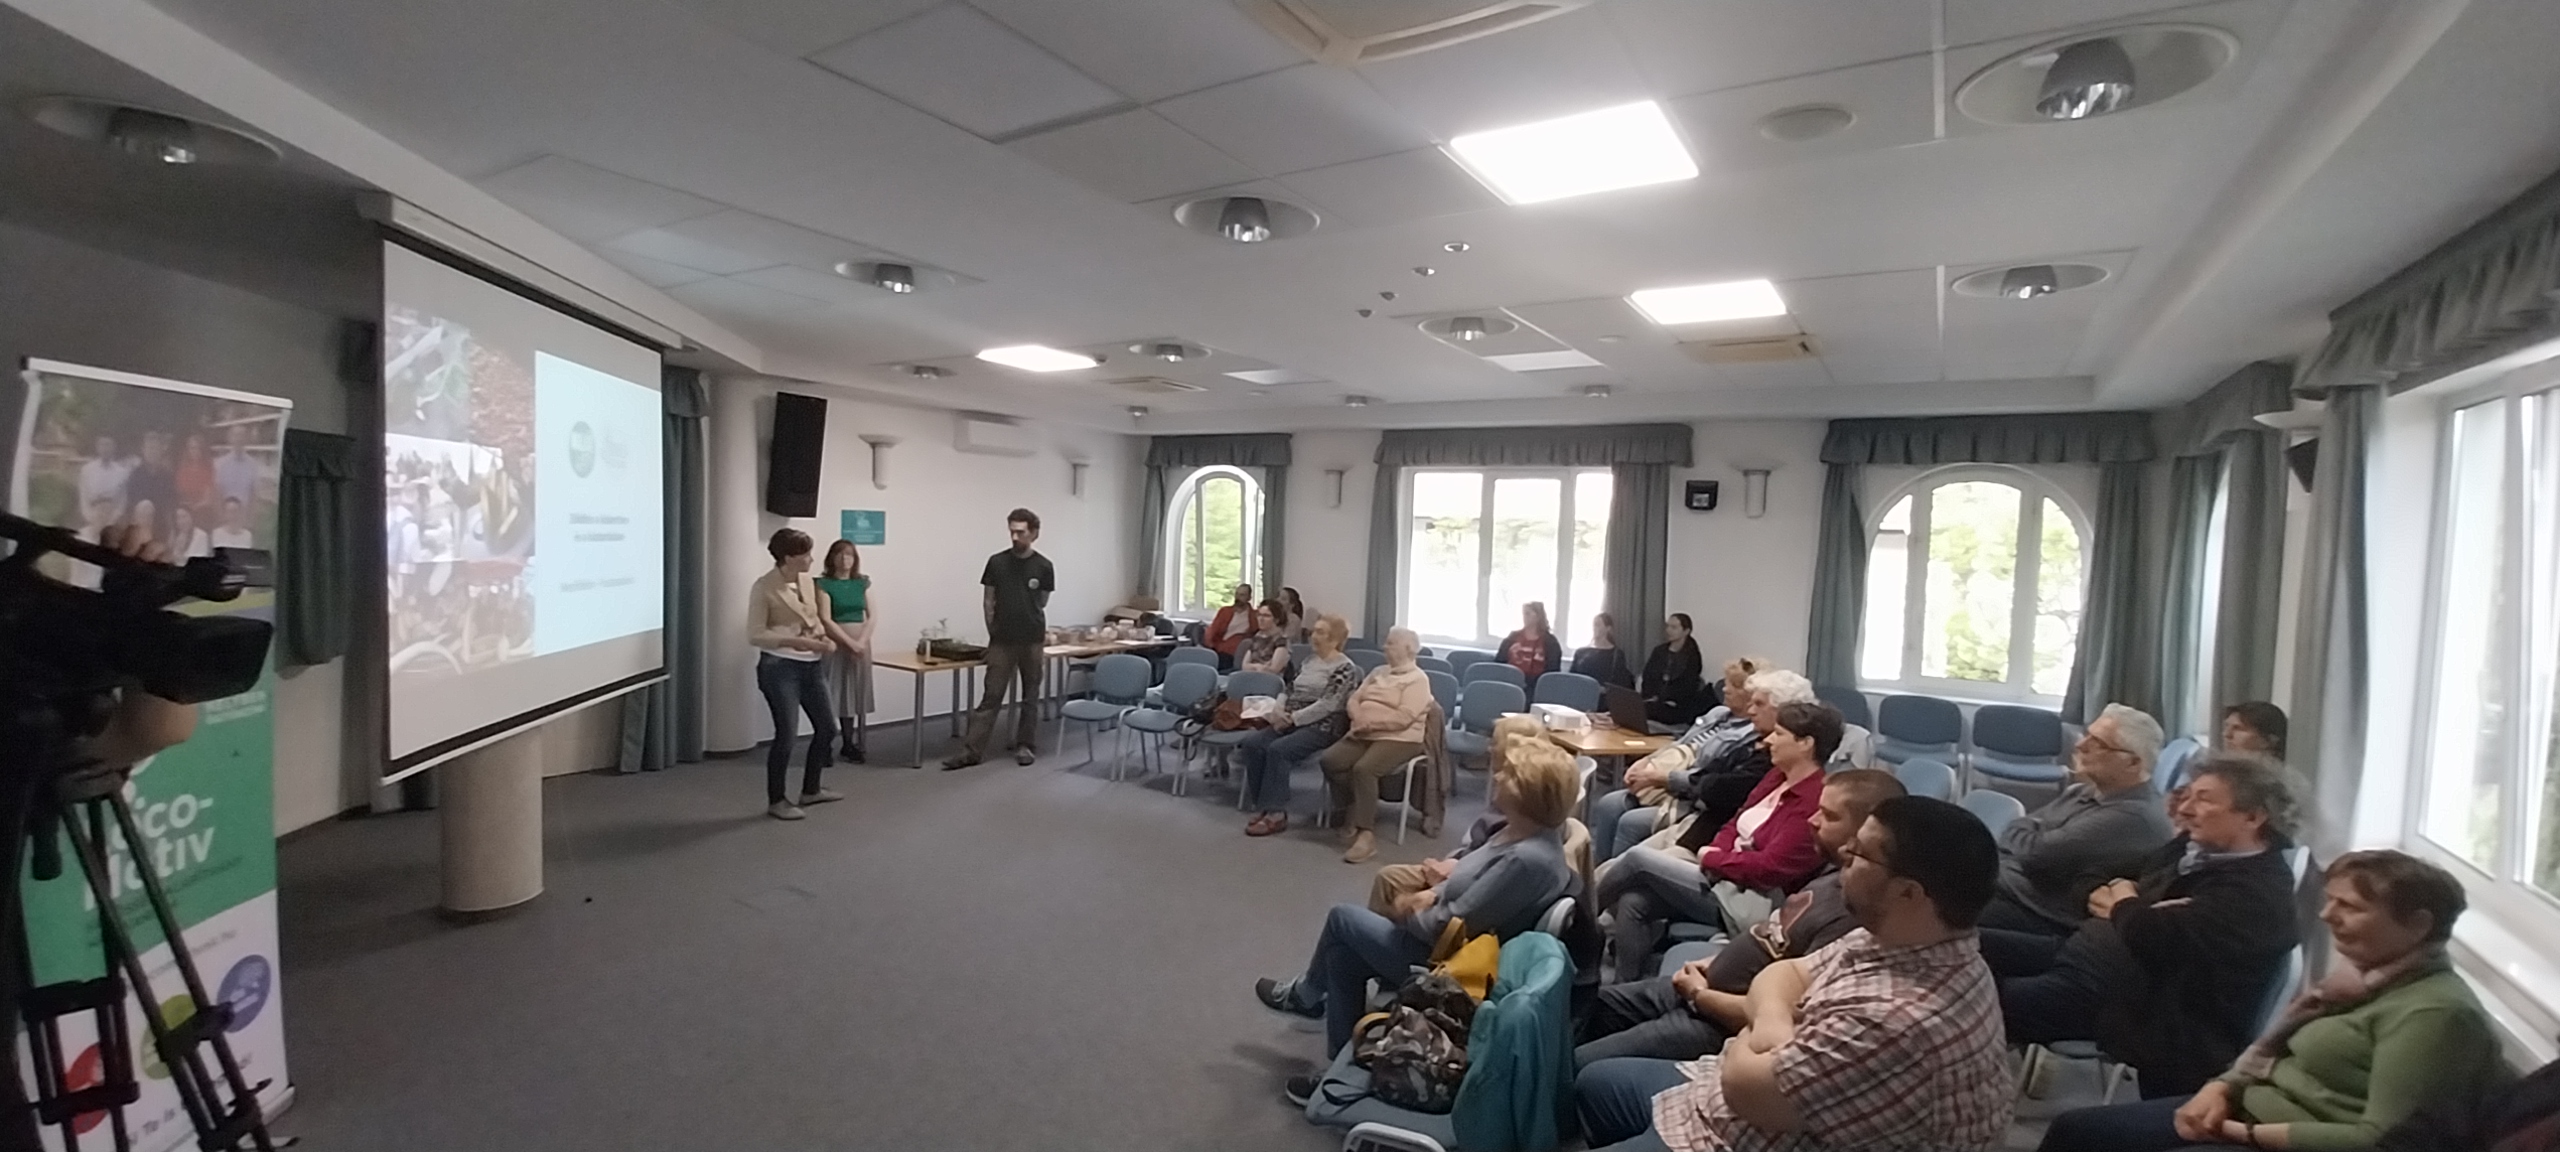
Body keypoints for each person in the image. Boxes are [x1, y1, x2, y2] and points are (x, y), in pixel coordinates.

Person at [1575, 796, 2013, 1152]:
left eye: (1860, 853)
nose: (1844, 856)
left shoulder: (1900, 1021)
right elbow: (1784, 973)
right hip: (1731, 1097)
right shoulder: (1897, 940)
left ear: (1908, 893)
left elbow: (1743, 1087)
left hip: (1739, 1128)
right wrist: (1773, 1025)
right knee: (1595, 1082)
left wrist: (1751, 1029)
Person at [2038, 850, 2505, 1152]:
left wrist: (2242, 1131)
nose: (2327, 916)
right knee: (2077, 1131)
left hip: (2276, 1136)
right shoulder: (2360, 979)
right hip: (2249, 1106)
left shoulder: (2435, 1014)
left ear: (2419, 925)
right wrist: (2220, 1089)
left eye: (2350, 907)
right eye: (2330, 901)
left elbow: (2380, 1139)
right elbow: (2273, 1052)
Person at [1256, 741, 1581, 1081]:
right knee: (1341, 956)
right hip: (1446, 943)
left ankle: (1307, 996)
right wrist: (1430, 894)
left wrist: (1404, 908)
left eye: (1510, 775)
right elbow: (1465, 876)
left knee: (1341, 918)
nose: (1498, 776)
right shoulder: (1519, 833)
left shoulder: (1525, 861)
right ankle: (1340, 1070)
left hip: (1447, 966)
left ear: (1531, 794)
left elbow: (1448, 926)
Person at [1988, 754, 2302, 1098]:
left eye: (2204, 799)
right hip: (2084, 951)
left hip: (2121, 1000)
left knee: (1974, 1000)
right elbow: (2095, 874)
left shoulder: (2256, 895)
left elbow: (2150, 936)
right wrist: (2125, 904)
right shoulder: (2192, 848)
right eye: (2187, 796)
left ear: (2253, 817)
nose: (2185, 810)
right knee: (1970, 944)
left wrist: (2125, 904)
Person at [1577, 768, 1906, 1067]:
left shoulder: (1851, 915)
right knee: (1578, 1006)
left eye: (1830, 816)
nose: (1813, 820)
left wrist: (1700, 995)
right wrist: (1714, 963)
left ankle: (1579, 928)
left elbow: (1785, 1017)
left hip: (1715, 1022)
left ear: (1865, 832)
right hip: (1700, 985)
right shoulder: (1829, 874)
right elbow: (1773, 938)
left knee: (1580, 1064)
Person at [1596, 701, 1842, 983]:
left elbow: (1769, 868)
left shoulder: (1812, 800)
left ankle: (1583, 920)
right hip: (1723, 875)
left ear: (1805, 744)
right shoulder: (1777, 776)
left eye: (1779, 734)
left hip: (1747, 900)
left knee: (1638, 859)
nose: (1768, 740)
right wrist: (1717, 851)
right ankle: (1624, 987)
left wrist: (1713, 859)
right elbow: (1736, 821)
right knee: (1633, 902)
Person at [1980, 702, 2176, 937]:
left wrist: (2029, 832)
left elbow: (2037, 854)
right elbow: (2020, 829)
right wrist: (2026, 833)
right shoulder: (2083, 791)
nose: (2081, 745)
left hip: (2041, 914)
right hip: (2008, 888)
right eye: (2087, 735)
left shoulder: (2134, 817)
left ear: (2133, 762)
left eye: (2098, 743)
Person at [1588, 660, 1783, 862]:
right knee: (1609, 803)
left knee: (1630, 822)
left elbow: (1705, 776)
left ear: (1750, 694)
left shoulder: (1751, 735)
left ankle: (1616, 877)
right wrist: (1645, 761)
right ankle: (1598, 870)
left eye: (1733, 685)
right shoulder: (1717, 713)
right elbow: (1679, 743)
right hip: (1662, 778)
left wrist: (1657, 777)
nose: (1725, 689)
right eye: (1726, 682)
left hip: (1685, 795)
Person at [1364, 714, 1550, 911]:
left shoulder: (1516, 805)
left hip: (1462, 878)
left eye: (1495, 743)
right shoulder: (1514, 797)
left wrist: (1446, 876)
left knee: (1386, 883)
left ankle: (1383, 929)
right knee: (1388, 877)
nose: (1489, 748)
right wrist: (1454, 860)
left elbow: (1483, 875)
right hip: (1464, 862)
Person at [945, 509, 1054, 770]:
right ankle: (971, 752)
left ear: (1034, 533)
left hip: (1032, 640)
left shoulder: (1044, 566)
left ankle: (1025, 745)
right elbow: (988, 600)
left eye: (1021, 532)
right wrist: (993, 631)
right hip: (1001, 641)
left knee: (1031, 696)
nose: (1015, 537)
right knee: (991, 696)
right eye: (1012, 531)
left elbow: (1042, 601)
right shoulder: (997, 562)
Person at [746, 528, 842, 820]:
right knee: (787, 735)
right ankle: (777, 800)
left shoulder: (806, 582)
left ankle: (811, 790)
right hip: (779, 668)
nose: (811, 559)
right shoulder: (764, 587)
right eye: (806, 555)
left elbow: (812, 620)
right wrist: (796, 642)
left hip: (811, 666)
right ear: (788, 558)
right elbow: (755, 634)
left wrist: (822, 637)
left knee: (827, 728)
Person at [1318, 626, 1434, 864]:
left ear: (1408, 649)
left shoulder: (1418, 679)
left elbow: (1404, 717)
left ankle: (1366, 835)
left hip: (1400, 738)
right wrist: (1358, 717)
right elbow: (1355, 698)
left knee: (1365, 769)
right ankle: (1355, 804)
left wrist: (1371, 724)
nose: (1384, 647)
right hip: (1364, 731)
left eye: (1390, 643)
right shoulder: (1378, 671)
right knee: (1330, 760)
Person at [1239, 613, 1359, 836]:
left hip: (1323, 726)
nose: (1313, 636)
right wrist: (1278, 710)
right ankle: (1264, 805)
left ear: (1335, 639)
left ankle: (1276, 813)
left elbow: (1329, 705)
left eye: (1320, 632)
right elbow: (1289, 689)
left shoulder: (1345, 668)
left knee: (1279, 750)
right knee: (1252, 744)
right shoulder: (1309, 662)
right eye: (1314, 631)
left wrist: (1294, 718)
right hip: (1290, 718)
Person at [811, 539, 875, 764]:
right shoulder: (824, 584)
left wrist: (861, 642)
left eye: (849, 555)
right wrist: (849, 643)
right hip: (836, 644)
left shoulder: (862, 583)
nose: (845, 559)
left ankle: (849, 743)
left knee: (852, 694)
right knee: (831, 693)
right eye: (840, 555)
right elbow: (826, 619)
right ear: (831, 558)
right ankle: (825, 745)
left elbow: (872, 616)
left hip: (860, 645)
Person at [1642, 613, 1710, 727]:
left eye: (1674, 627)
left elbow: (1689, 685)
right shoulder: (1659, 651)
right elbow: (1648, 676)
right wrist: (1652, 695)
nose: (1668, 630)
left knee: (1650, 711)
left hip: (1677, 705)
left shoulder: (1692, 656)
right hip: (1654, 700)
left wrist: (1668, 698)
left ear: (1686, 631)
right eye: (1668, 626)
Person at [1498, 601, 1563, 687]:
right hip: (1510, 682)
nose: (1524, 617)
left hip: (1537, 685)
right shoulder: (1512, 637)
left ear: (1538, 617)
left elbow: (1552, 671)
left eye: (1528, 614)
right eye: (1524, 614)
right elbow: (1499, 662)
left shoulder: (1550, 642)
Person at [76, 434, 134, 524]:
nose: (105, 449)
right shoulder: (87, 470)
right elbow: (83, 497)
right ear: (97, 447)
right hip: (92, 516)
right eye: (102, 445)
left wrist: (112, 520)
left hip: (113, 518)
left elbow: (122, 501)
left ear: (114, 447)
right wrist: (91, 518)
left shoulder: (121, 472)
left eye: (108, 445)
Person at [1572, 612, 1638, 689]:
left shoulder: (1616, 654)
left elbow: (1620, 681)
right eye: (1594, 625)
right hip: (1582, 691)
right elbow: (1573, 676)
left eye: (1598, 625)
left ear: (1608, 628)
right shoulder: (1581, 652)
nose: (1594, 628)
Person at [1235, 599, 1292, 677]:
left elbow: (1274, 669)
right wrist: (1259, 667)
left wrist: (1253, 667)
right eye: (1259, 615)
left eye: (1266, 616)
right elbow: (1244, 666)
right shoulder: (1257, 637)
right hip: (1251, 677)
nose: (1261, 619)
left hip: (1270, 681)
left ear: (1276, 620)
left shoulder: (1281, 641)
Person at [213, 423, 261, 509]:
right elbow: (217, 493)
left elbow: (253, 494)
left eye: (242, 435)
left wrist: (251, 515)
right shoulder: (220, 464)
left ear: (247, 439)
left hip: (244, 513)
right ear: (230, 438)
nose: (239, 439)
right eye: (236, 435)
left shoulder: (253, 465)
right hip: (225, 513)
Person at [1206, 582, 1256, 665]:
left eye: (1242, 595)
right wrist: (1210, 645)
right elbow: (1213, 630)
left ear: (1249, 598)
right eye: (1237, 594)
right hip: (1219, 647)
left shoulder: (1254, 616)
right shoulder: (1225, 611)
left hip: (1237, 650)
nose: (1238, 597)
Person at [174, 431, 214, 516]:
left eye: (198, 448)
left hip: (203, 510)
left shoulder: (208, 470)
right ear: (188, 450)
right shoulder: (182, 470)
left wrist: (196, 507)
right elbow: (180, 494)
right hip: (185, 510)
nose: (195, 451)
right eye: (192, 448)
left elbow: (208, 497)